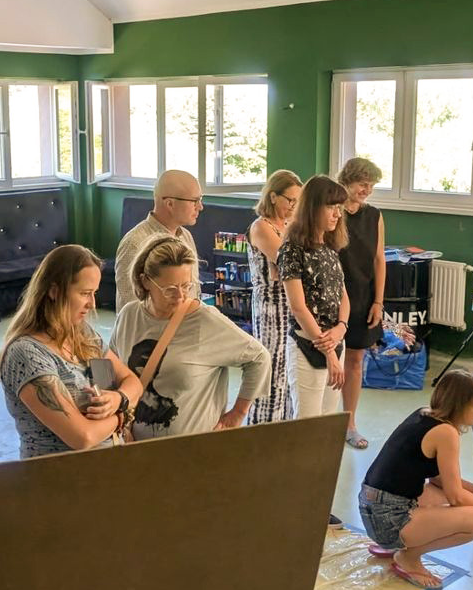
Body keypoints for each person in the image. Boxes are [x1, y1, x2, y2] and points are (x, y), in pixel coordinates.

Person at [359, 370, 473, 588]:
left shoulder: (424, 414)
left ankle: (396, 544)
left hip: (373, 508)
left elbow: (439, 480)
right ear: (459, 404)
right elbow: (456, 497)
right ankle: (408, 557)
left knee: (443, 494)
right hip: (387, 521)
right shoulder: (446, 433)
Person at [110, 236, 271, 438]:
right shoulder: (129, 315)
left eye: (186, 286)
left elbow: (259, 358)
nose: (180, 297)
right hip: (136, 446)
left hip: (193, 449)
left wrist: (237, 414)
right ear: (145, 281)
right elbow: (114, 370)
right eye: (169, 289)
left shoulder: (206, 320)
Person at [0, 245, 143, 458]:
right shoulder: (26, 354)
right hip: (60, 474)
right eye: (85, 293)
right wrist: (122, 416)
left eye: (94, 293)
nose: (92, 304)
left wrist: (118, 399)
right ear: (54, 291)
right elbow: (82, 437)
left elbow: (133, 382)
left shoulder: (82, 333)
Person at [278, 175, 351, 526]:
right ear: (313, 208)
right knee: (307, 430)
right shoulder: (292, 249)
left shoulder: (330, 248)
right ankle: (298, 503)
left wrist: (341, 328)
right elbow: (299, 306)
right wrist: (329, 352)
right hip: (309, 349)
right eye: (331, 207)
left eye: (340, 208)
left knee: (324, 432)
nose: (337, 214)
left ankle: (317, 502)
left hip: (334, 344)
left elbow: (343, 296)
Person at [335, 157, 388, 450]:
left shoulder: (374, 216)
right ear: (347, 180)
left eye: (371, 186)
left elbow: (379, 259)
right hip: (333, 296)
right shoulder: (331, 211)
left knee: (355, 361)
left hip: (363, 295)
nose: (367, 190)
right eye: (362, 184)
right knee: (325, 361)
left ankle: (349, 423)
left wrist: (378, 301)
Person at [246, 169, 302, 423]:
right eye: (290, 200)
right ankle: (263, 427)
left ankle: (285, 427)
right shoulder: (261, 227)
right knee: (272, 369)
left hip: (292, 305)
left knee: (289, 370)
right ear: (272, 197)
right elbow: (289, 263)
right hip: (271, 307)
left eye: (297, 201)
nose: (294, 206)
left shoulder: (290, 226)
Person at [114, 169, 202, 310]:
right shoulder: (135, 243)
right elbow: (132, 306)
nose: (200, 207)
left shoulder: (186, 236)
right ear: (170, 204)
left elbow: (194, 291)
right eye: (194, 201)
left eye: (200, 200)